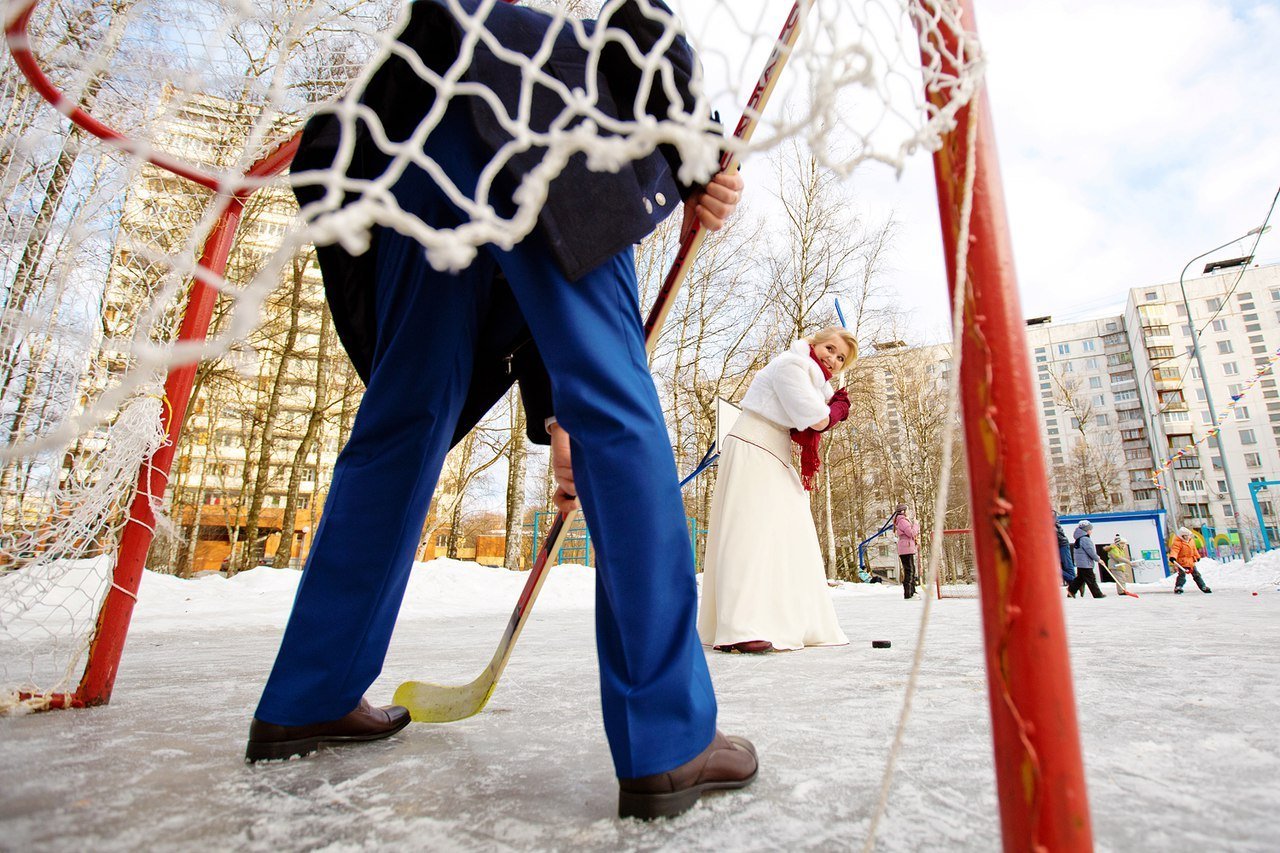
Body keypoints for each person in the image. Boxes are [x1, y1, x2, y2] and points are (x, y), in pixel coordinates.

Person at [248, 0, 755, 821]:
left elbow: (516, 285)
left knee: (403, 423)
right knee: (618, 407)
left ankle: (311, 691)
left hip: (415, 138)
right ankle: (669, 738)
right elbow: (642, 20)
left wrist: (556, 419)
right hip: (537, 115)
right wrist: (701, 156)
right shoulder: (566, 68)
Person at [697, 330, 855, 653]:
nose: (833, 359)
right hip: (753, 445)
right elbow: (816, 419)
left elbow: (815, 408)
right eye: (830, 348)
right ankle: (738, 627)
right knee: (749, 535)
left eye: (841, 358)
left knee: (792, 533)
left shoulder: (812, 379)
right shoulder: (791, 366)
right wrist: (837, 409)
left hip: (773, 451)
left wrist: (832, 402)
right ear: (814, 343)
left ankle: (789, 620)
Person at [1067, 519, 1106, 599]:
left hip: (1081, 563)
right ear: (1086, 530)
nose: (1091, 531)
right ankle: (1097, 594)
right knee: (1091, 579)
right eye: (1090, 529)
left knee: (1080, 578)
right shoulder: (1085, 539)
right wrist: (1098, 559)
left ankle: (1071, 590)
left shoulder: (1079, 539)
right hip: (1085, 563)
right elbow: (1090, 551)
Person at [1169, 526, 1212, 595]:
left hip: (1191, 562)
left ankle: (1203, 586)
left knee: (1197, 575)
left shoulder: (1191, 541)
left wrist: (1197, 556)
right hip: (1182, 562)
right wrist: (1173, 557)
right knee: (1182, 575)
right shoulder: (1177, 542)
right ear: (1182, 536)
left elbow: (1194, 550)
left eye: (1188, 535)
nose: (1188, 537)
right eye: (1186, 536)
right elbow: (1175, 551)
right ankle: (1178, 587)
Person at [892, 503, 920, 599]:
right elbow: (911, 533)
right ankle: (909, 593)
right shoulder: (903, 521)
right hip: (906, 548)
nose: (908, 512)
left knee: (911, 570)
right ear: (903, 511)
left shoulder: (902, 520)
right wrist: (916, 525)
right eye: (907, 510)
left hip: (907, 547)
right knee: (909, 570)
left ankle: (912, 591)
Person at [1054, 512, 1075, 585]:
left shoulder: (1050, 517)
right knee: (1066, 567)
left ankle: (1074, 583)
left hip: (1061, 544)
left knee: (1067, 567)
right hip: (1058, 544)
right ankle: (1075, 583)